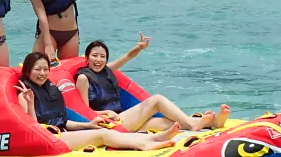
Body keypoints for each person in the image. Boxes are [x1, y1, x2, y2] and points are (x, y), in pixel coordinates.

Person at [16, 52, 178, 151]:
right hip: (50, 139)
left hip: (62, 132)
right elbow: (32, 130)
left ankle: (153, 139)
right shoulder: (24, 95)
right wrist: (30, 103)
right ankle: (146, 143)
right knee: (103, 134)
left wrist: (87, 124)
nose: (42, 73)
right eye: (38, 69)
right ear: (28, 70)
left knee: (102, 130)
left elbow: (63, 122)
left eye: (45, 69)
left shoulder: (50, 89)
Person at [75, 36, 231, 133]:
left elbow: (127, 57)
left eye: (103, 56)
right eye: (94, 56)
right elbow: (84, 112)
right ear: (87, 57)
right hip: (109, 124)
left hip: (122, 120)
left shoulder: (106, 71)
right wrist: (107, 113)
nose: (98, 60)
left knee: (165, 123)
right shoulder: (83, 78)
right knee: (156, 100)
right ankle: (192, 124)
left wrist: (140, 48)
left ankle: (213, 122)